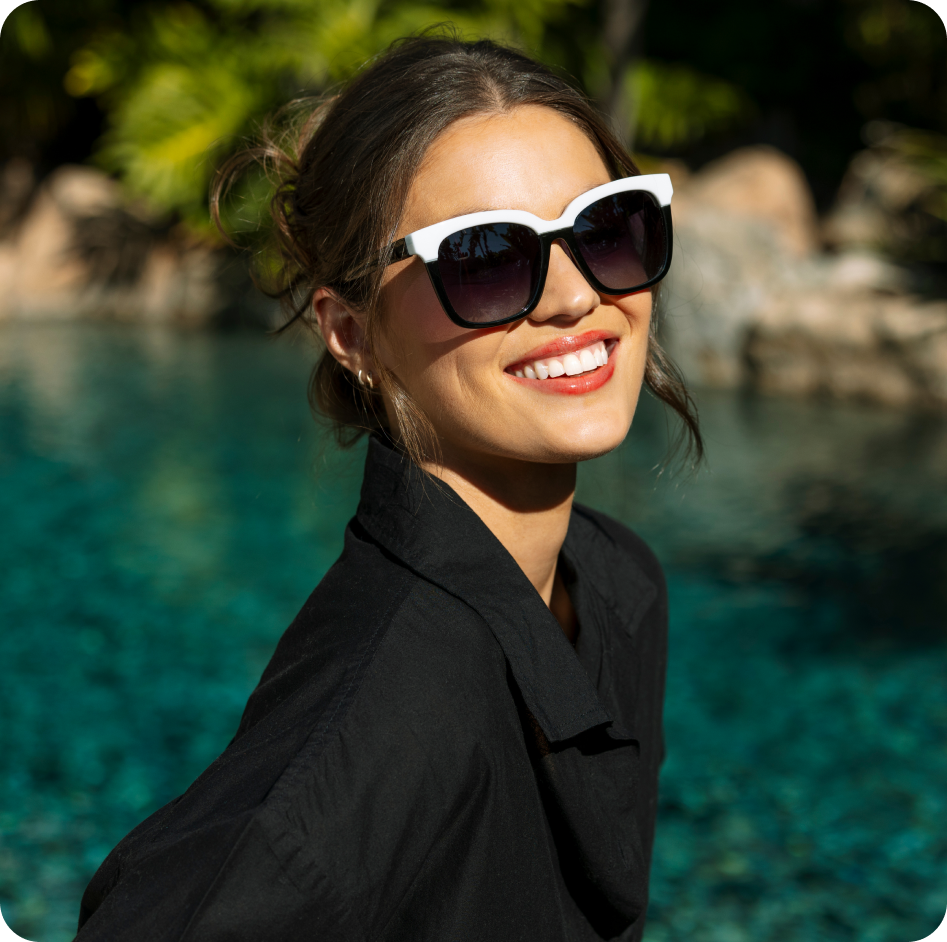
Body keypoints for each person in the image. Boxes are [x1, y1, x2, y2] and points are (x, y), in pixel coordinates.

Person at [76, 33, 701, 942]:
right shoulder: (384, 720)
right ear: (352, 333)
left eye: (607, 229)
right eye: (485, 257)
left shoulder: (616, 583)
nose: (572, 297)